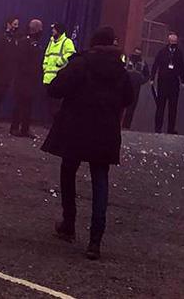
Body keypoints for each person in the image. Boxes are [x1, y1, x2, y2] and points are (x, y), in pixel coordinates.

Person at [41, 26, 134, 260]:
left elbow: (55, 89)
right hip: (105, 133)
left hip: (76, 129)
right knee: (100, 180)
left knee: (68, 170)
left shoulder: (81, 63)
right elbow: (129, 98)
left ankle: (68, 224)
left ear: (94, 43)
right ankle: (95, 241)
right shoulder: (120, 70)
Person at [11, 19, 44, 138]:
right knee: (19, 104)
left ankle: (25, 128)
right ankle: (14, 127)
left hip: (32, 79)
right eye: (40, 29)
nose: (41, 31)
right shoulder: (25, 42)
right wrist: (28, 72)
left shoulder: (36, 43)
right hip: (22, 78)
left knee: (28, 104)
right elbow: (20, 60)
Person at [152, 33, 184, 134]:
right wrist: (152, 77)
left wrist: (183, 81)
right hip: (163, 82)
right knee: (160, 106)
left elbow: (182, 67)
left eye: (175, 42)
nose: (173, 44)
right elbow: (155, 64)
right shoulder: (162, 52)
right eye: (172, 42)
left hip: (174, 83)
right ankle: (158, 128)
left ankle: (171, 129)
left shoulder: (179, 53)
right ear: (168, 41)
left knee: (173, 107)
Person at [122, 47, 149, 130]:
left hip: (136, 87)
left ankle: (126, 126)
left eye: (138, 54)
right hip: (125, 85)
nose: (137, 55)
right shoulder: (126, 59)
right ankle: (118, 124)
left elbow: (147, 75)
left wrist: (141, 81)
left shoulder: (143, 63)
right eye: (136, 53)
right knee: (121, 106)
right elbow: (120, 67)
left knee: (131, 107)